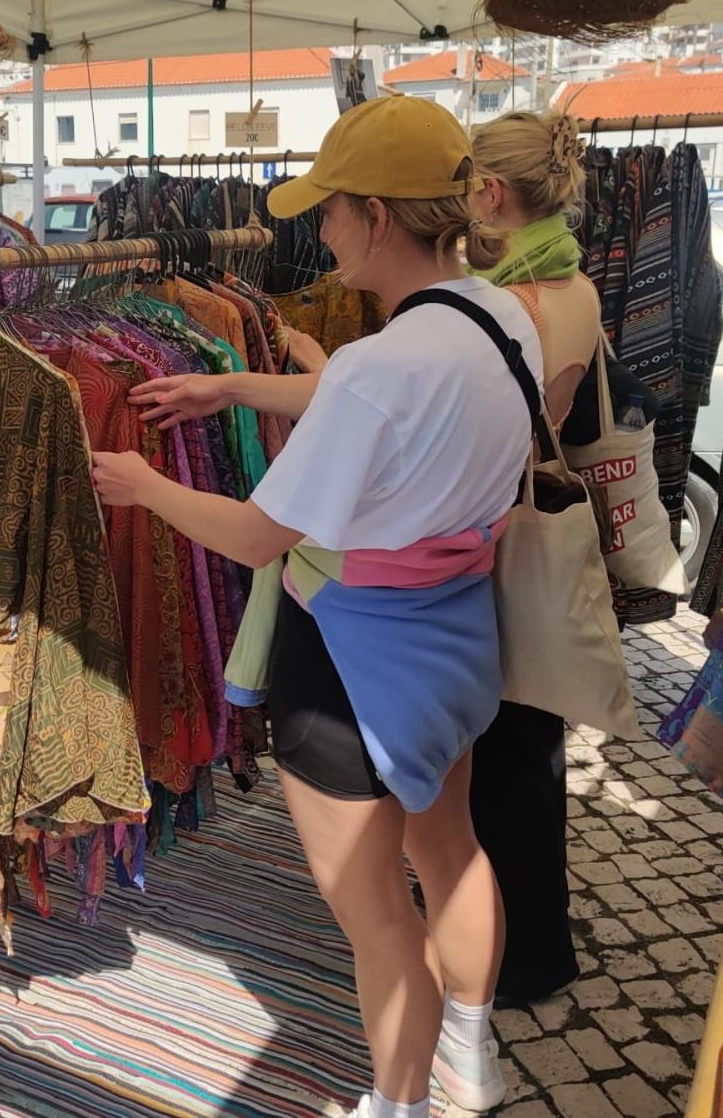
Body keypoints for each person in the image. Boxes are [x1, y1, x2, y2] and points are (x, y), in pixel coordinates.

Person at [92, 96, 542, 1118]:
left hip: (347, 660)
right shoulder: (497, 314)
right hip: (455, 637)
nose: (319, 230)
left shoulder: (381, 368)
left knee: (378, 916)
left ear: (377, 215)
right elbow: (370, 401)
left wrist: (146, 488)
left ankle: (400, 1104)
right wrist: (238, 390)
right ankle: (470, 1052)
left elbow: (258, 536)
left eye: (329, 212)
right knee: (450, 848)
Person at [468, 108, 601, 1006]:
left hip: (493, 534)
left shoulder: (507, 301)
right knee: (530, 745)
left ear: (486, 193)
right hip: (533, 530)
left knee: (496, 753)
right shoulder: (574, 284)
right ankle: (538, 945)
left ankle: (508, 958)